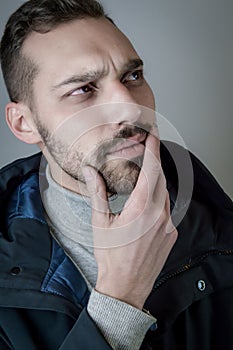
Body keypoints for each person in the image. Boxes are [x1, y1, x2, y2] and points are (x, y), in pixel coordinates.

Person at [0, 0, 232, 349]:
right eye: (83, 89)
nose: (129, 106)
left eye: (132, 76)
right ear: (24, 123)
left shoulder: (213, 221)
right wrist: (118, 303)